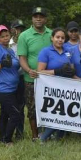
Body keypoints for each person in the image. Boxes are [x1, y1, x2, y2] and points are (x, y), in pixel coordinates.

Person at [17, 7, 52, 141]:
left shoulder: (51, 34)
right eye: (36, 16)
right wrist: (28, 70)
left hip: (49, 79)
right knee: (32, 108)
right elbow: (22, 58)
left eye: (41, 16)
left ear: (45, 19)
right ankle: (35, 135)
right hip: (31, 79)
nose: (38, 19)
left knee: (49, 107)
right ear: (32, 18)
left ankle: (47, 134)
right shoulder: (24, 35)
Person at [37, 28, 75, 141]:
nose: (60, 40)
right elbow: (40, 71)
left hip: (66, 87)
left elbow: (71, 67)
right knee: (56, 114)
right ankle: (43, 137)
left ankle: (58, 138)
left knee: (66, 113)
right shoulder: (45, 51)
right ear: (52, 38)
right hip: (51, 88)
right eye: (57, 37)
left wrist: (72, 72)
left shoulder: (68, 51)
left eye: (62, 38)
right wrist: (56, 71)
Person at [0, 25, 22, 145]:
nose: (5, 38)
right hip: (2, 89)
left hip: (11, 88)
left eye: (7, 35)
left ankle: (2, 137)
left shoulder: (10, 50)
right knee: (15, 114)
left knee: (4, 113)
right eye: (2, 37)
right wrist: (1, 64)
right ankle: (7, 139)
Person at [10, 19, 26, 139]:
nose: (18, 31)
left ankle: (19, 133)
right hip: (10, 79)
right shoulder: (8, 44)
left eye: (21, 29)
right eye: (16, 28)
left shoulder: (25, 41)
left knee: (20, 106)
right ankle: (7, 130)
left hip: (22, 77)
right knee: (10, 106)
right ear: (12, 29)